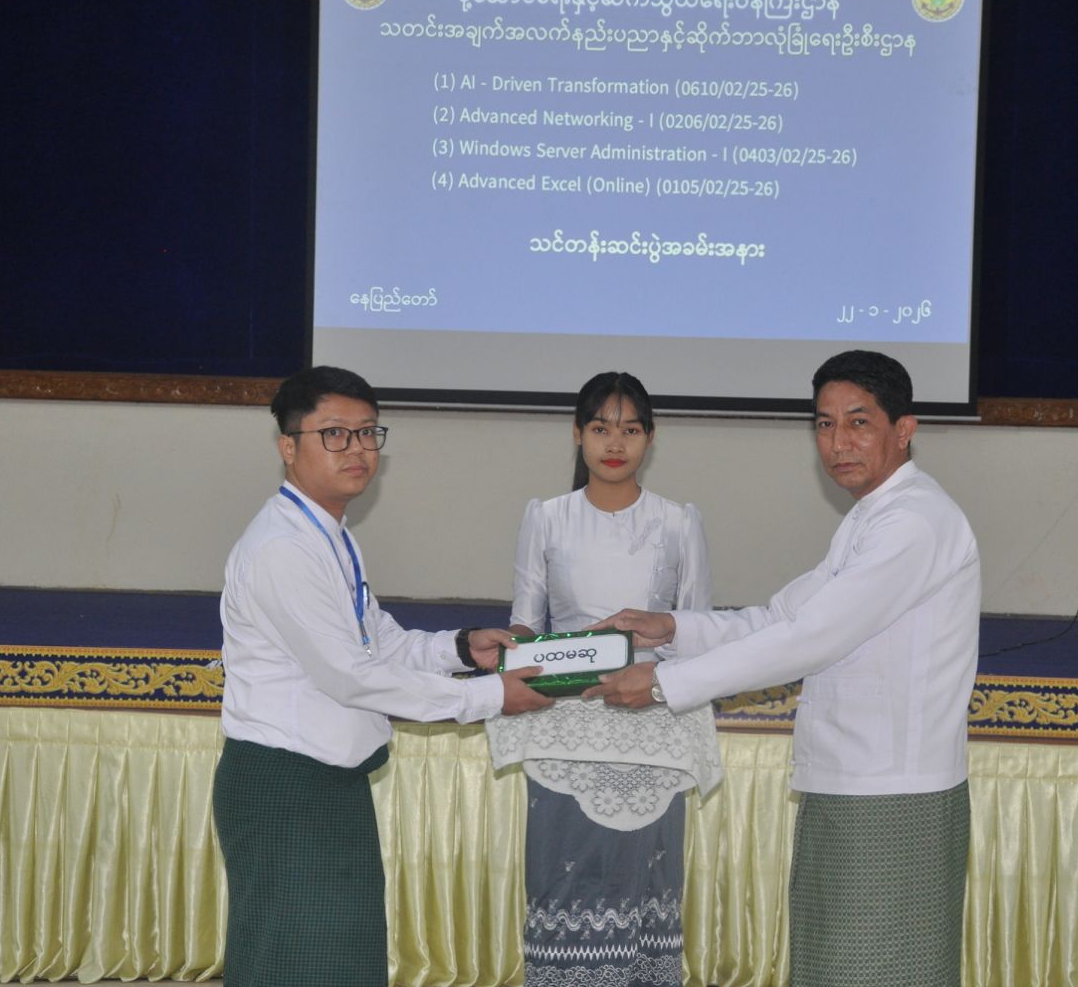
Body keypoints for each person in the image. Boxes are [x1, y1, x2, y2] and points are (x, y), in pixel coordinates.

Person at [586, 350, 981, 987]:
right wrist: (674, 628)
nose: (838, 442)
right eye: (824, 424)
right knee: (832, 968)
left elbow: (810, 638)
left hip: (892, 793)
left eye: (858, 422)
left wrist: (664, 683)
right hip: (851, 782)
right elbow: (780, 616)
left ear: (904, 429)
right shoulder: (872, 516)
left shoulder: (915, 521)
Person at [213, 365, 552, 987]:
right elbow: (351, 677)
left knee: (340, 966)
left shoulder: (328, 532)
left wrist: (463, 648)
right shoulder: (282, 547)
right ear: (288, 446)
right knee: (294, 968)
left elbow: (380, 642)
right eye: (335, 434)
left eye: (368, 433)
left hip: (329, 781)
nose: (358, 449)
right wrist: (489, 696)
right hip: (285, 785)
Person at [485, 371, 722, 987]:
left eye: (630, 430)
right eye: (600, 428)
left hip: (653, 716)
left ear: (651, 438)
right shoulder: (546, 516)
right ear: (577, 434)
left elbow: (696, 628)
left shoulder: (679, 520)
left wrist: (654, 675)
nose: (615, 443)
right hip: (567, 718)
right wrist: (525, 658)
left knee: (645, 878)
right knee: (565, 874)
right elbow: (525, 622)